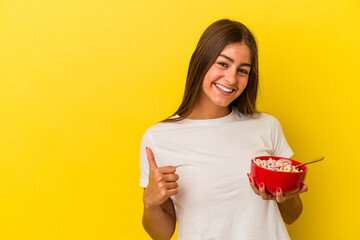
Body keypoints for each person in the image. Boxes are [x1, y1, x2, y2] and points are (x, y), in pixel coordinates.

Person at [139, 19, 307, 240]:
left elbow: (292, 216)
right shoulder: (158, 138)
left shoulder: (266, 126)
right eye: (223, 64)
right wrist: (150, 204)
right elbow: (162, 234)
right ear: (202, 61)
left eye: (243, 70)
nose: (231, 79)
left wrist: (288, 195)